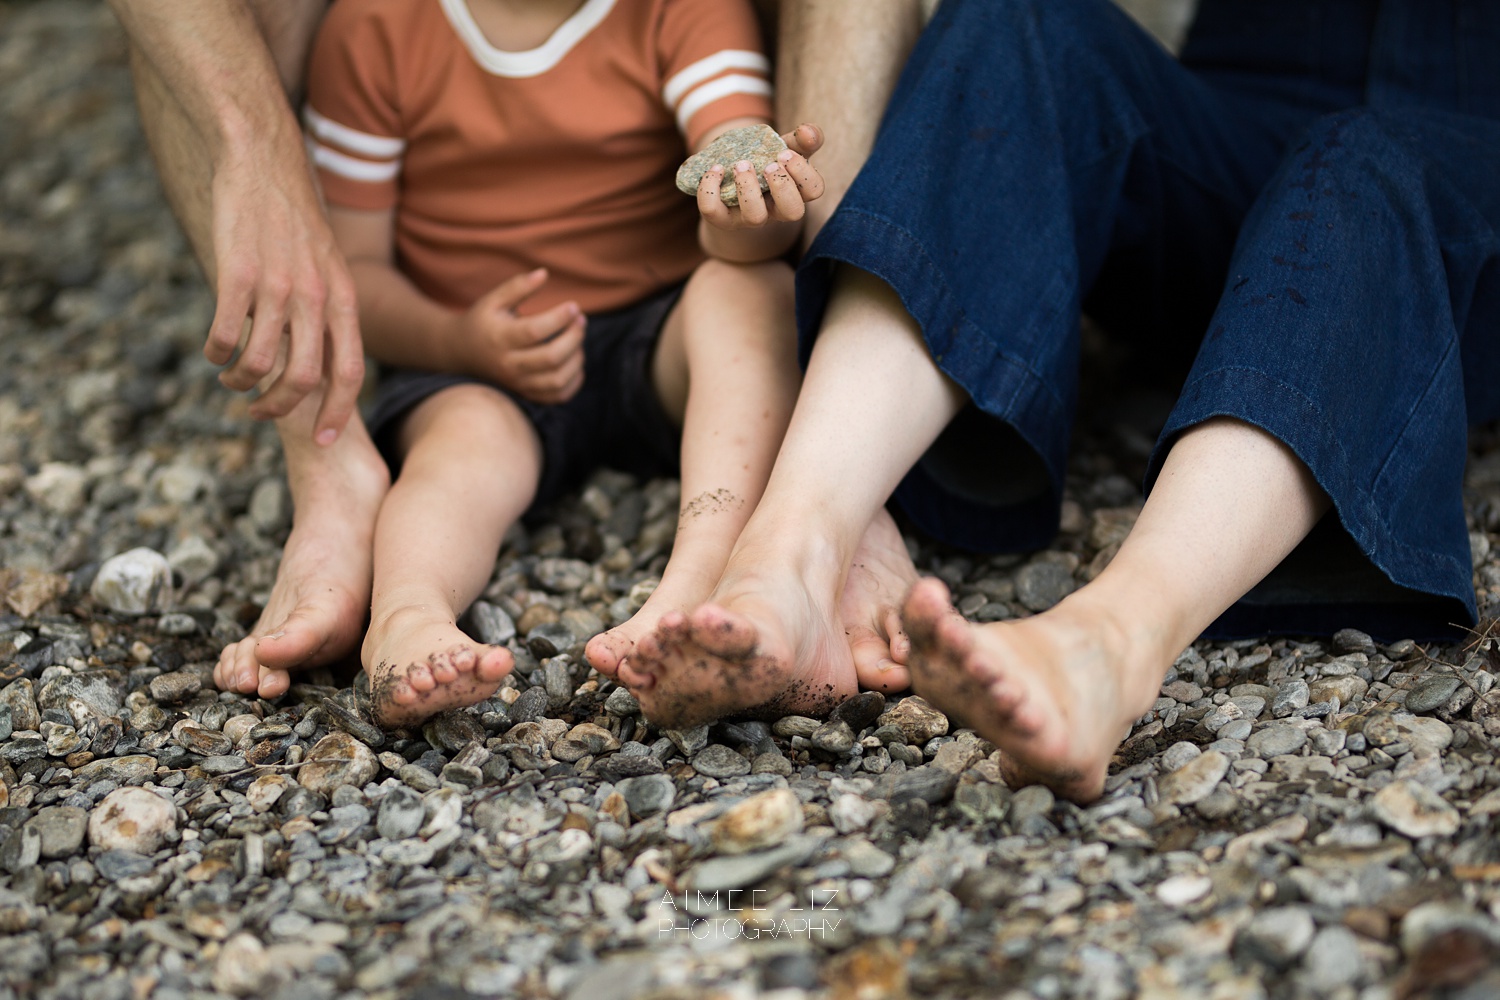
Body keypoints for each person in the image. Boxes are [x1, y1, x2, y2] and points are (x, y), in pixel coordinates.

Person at [622, 0, 1500, 802]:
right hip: (1237, 123)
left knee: (1364, 160)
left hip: (1466, 156)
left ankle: (1111, 644)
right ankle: (797, 551)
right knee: (1017, 18)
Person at [108, 0, 935, 701]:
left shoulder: (677, 10)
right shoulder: (378, 28)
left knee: (743, 298)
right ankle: (408, 612)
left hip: (657, 329)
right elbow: (356, 267)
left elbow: (733, 174)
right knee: (457, 454)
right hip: (474, 357)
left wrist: (749, 205)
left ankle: (702, 573)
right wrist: (458, 337)